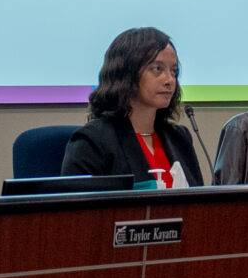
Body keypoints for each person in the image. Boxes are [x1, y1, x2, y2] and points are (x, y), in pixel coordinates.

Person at [63, 26, 203, 187]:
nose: (169, 80)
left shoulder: (179, 137)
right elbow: (77, 203)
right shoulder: (93, 142)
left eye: (174, 71)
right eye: (157, 69)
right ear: (126, 74)